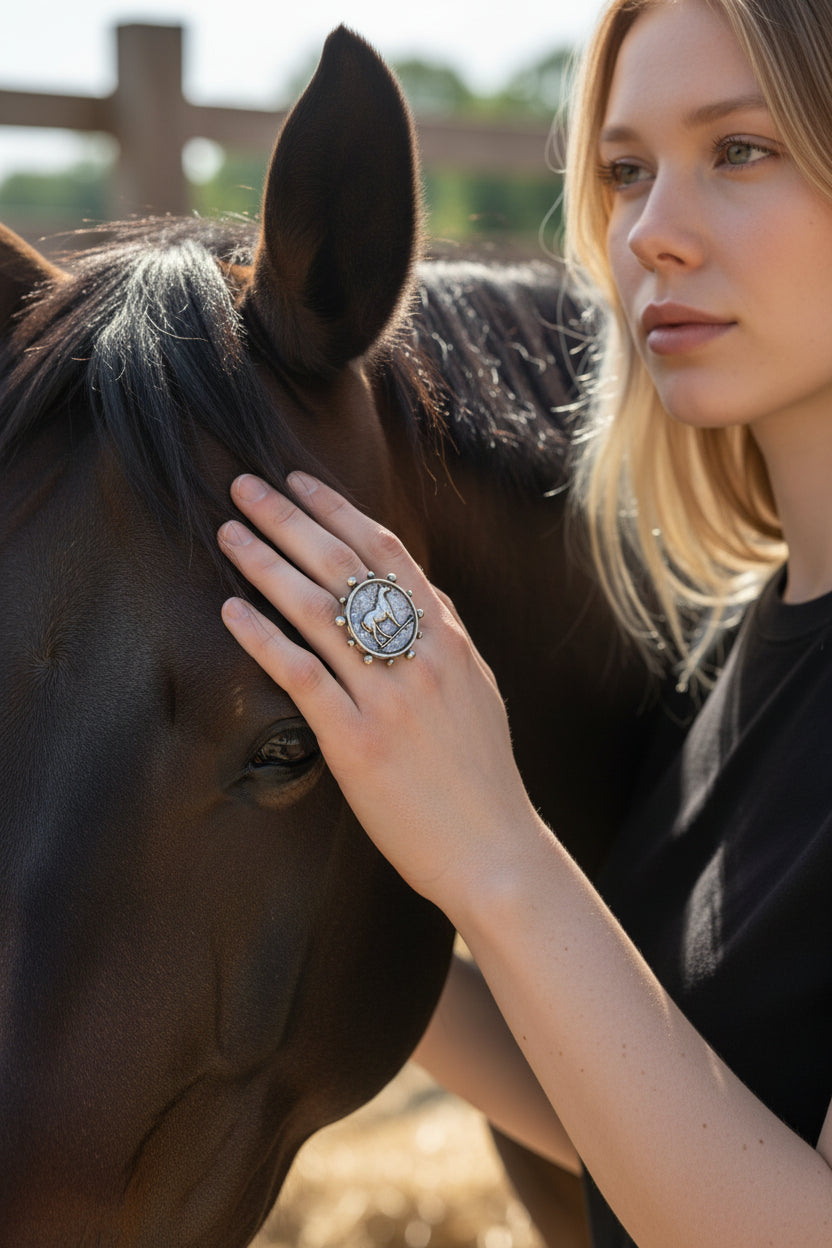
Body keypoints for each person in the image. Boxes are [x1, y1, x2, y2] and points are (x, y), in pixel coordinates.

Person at [216, 0, 832, 1242]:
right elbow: (647, 1120)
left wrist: (497, 853)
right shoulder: (736, 644)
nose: (648, 233)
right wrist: (390, 836)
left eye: (739, 149)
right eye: (623, 172)